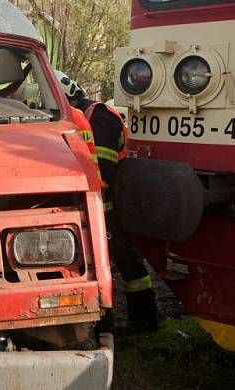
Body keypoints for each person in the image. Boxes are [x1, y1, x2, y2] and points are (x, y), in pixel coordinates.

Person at [55, 69, 159, 333]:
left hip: (107, 205)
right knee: (112, 263)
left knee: (115, 263)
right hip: (97, 204)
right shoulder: (84, 116)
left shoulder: (98, 118)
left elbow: (102, 172)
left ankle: (137, 323)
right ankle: (115, 325)